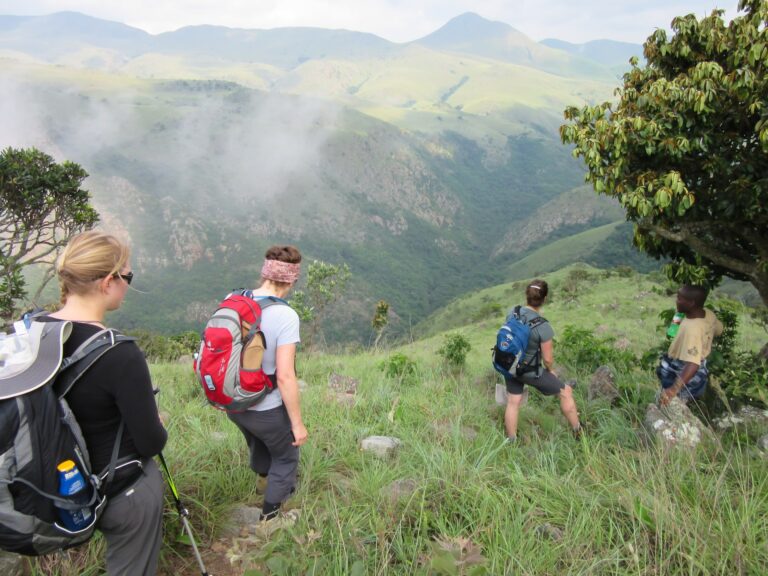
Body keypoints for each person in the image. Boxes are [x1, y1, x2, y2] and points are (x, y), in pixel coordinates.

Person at [47, 230, 167, 576]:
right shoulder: (119, 353)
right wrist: (156, 421)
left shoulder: (30, 332)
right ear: (108, 282)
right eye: (127, 276)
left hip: (49, 487)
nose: (128, 285)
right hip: (117, 492)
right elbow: (150, 443)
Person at [227, 245, 307, 529]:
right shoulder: (286, 316)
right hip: (265, 405)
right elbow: (285, 376)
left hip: (233, 403)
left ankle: (264, 482)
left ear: (264, 273)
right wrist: (297, 424)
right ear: (292, 280)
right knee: (286, 457)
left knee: (258, 439)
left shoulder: (234, 299)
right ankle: (269, 521)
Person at [503, 279, 582, 442]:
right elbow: (548, 359)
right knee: (566, 392)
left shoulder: (513, 312)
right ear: (544, 299)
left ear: (526, 296)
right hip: (528, 370)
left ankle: (511, 441)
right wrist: (550, 371)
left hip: (508, 363)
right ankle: (578, 432)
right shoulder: (543, 327)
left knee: (513, 401)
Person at [657, 285, 723, 406]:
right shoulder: (708, 314)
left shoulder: (692, 329)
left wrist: (673, 390)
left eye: (679, 298)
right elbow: (719, 330)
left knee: (671, 403)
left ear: (691, 303)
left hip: (683, 369)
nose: (676, 301)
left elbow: (692, 364)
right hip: (698, 368)